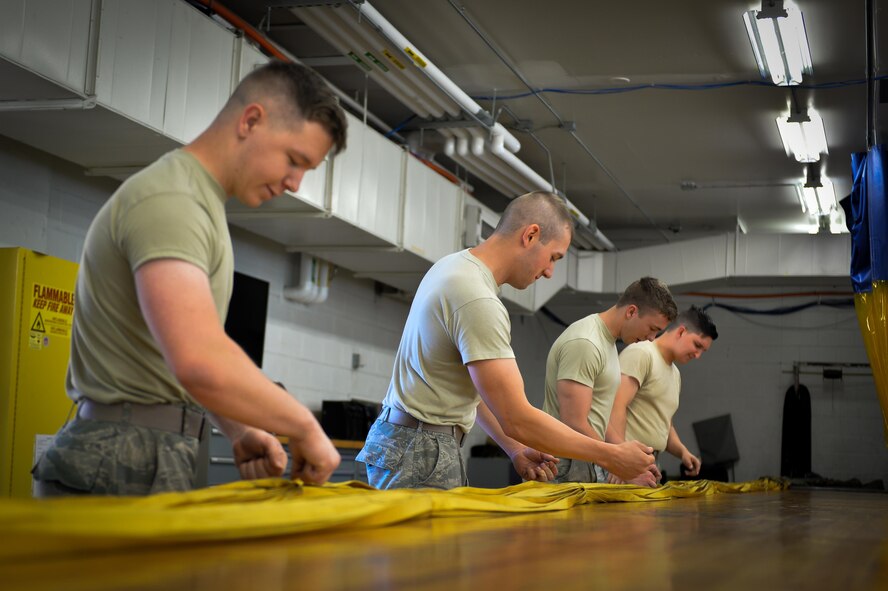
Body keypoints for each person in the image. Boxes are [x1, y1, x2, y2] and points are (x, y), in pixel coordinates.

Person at [32, 61, 348, 496]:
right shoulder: (173, 200)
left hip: (146, 449)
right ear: (251, 120)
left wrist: (237, 429)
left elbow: (168, 359)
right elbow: (199, 360)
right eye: (295, 161)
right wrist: (302, 423)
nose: (295, 183)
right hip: (118, 455)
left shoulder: (199, 203)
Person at [356, 191, 658, 490]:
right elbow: (517, 417)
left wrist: (514, 448)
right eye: (553, 257)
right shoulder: (476, 297)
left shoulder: (455, 267)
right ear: (530, 235)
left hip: (417, 441)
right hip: (421, 448)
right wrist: (612, 456)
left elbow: (478, 392)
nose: (550, 272)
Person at [542, 277, 677, 486]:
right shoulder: (586, 342)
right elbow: (574, 422)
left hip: (584, 458)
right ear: (631, 312)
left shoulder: (608, 344)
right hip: (564, 464)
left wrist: (629, 456)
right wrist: (618, 461)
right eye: (652, 328)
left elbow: (597, 417)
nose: (652, 338)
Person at [606, 306, 718, 486]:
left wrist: (683, 452)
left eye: (703, 351)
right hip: (622, 464)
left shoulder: (675, 374)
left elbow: (663, 423)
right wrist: (620, 461)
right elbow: (615, 406)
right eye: (697, 345)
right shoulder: (642, 353)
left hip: (646, 464)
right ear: (681, 331)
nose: (697, 355)